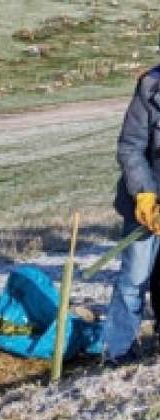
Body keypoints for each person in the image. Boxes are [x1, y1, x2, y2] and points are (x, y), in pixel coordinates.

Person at [101, 63, 160, 367]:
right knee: (134, 278)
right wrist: (145, 195)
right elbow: (130, 147)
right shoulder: (150, 88)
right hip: (146, 206)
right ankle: (117, 349)